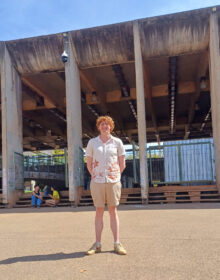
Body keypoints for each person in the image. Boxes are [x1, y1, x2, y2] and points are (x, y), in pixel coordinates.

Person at [85, 116, 127, 255]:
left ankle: (117, 243)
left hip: (113, 180)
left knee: (113, 211)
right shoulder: (92, 142)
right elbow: (89, 163)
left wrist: (115, 176)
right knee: (99, 212)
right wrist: (95, 175)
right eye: (102, 124)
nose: (104, 126)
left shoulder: (117, 142)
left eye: (107, 124)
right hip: (97, 181)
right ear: (98, 127)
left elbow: (122, 163)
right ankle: (97, 244)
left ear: (111, 127)